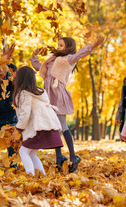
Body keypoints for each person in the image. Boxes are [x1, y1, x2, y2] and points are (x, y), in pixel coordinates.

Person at [31, 36, 105, 173]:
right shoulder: (53, 59)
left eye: (61, 45)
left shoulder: (67, 60)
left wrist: (93, 45)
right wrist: (34, 57)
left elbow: (78, 55)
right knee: (54, 126)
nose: (58, 47)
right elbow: (41, 68)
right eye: (58, 45)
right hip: (48, 95)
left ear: (68, 47)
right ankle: (59, 156)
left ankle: (72, 156)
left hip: (58, 95)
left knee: (62, 125)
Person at [12, 66, 63, 176]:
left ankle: (31, 176)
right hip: (47, 126)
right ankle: (41, 176)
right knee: (31, 153)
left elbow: (25, 114)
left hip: (39, 128)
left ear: (20, 79)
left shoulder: (24, 93)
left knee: (23, 151)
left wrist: (18, 129)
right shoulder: (39, 92)